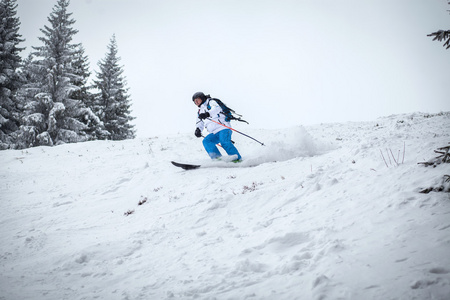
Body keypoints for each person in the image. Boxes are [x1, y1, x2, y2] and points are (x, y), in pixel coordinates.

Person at [192, 92, 242, 162]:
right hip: (214, 132)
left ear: (202, 98)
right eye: (194, 101)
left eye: (197, 99)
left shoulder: (210, 102)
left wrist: (207, 113)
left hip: (223, 128)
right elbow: (199, 122)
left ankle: (238, 160)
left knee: (224, 142)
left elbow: (217, 108)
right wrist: (198, 129)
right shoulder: (200, 111)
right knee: (206, 141)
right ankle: (217, 159)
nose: (196, 102)